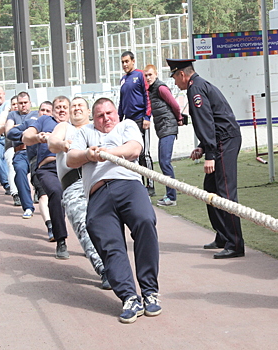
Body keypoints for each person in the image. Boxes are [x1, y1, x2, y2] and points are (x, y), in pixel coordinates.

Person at [66, 98, 160, 324]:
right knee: (109, 244)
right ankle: (129, 297)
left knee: (145, 221)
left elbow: (135, 148)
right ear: (93, 118)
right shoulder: (85, 133)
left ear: (116, 113)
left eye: (109, 113)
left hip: (128, 184)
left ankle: (149, 291)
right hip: (98, 194)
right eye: (100, 115)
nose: (106, 118)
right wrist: (89, 155)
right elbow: (71, 159)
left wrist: (109, 152)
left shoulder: (126, 126)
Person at [167, 58, 244, 259]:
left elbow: (208, 122)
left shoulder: (196, 89)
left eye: (175, 77)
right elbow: (212, 120)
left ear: (182, 74)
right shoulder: (198, 86)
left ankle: (235, 243)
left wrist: (210, 154)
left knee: (225, 192)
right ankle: (223, 235)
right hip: (220, 140)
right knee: (211, 189)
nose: (175, 83)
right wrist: (203, 147)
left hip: (225, 141)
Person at [48, 97, 111, 289]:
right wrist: (64, 145)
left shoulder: (96, 129)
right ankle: (105, 270)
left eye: (80, 106)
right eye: (72, 106)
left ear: (89, 111)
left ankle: (116, 265)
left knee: (107, 227)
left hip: (98, 182)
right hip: (74, 184)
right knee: (84, 226)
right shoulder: (64, 127)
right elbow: (52, 142)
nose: (76, 109)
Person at [22, 96, 70, 260]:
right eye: (58, 107)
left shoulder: (73, 125)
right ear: (53, 110)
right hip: (48, 168)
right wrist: (37, 137)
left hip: (71, 168)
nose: (61, 110)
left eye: (65, 107)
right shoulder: (44, 120)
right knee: (56, 193)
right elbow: (25, 137)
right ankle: (61, 240)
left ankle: (92, 242)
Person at [7, 101, 53, 241]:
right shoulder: (30, 124)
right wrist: (27, 135)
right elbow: (11, 133)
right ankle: (35, 212)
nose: (44, 113)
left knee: (58, 198)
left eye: (47, 111)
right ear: (37, 112)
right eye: (42, 110)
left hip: (56, 163)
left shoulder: (56, 125)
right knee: (43, 195)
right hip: (34, 162)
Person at [144, 64, 184, 206]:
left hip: (168, 127)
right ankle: (170, 195)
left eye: (150, 75)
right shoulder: (151, 90)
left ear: (156, 74)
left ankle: (171, 197)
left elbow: (175, 104)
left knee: (164, 162)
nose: (148, 78)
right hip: (163, 128)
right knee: (163, 162)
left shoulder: (160, 88)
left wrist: (179, 118)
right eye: (146, 75)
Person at [118, 51, 155, 196]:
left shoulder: (140, 75)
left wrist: (147, 117)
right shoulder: (123, 79)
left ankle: (151, 185)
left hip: (140, 119)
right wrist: (118, 120)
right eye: (122, 62)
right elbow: (122, 102)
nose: (125, 64)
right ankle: (139, 185)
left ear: (133, 61)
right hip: (128, 121)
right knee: (133, 155)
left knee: (144, 153)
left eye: (127, 61)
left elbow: (148, 96)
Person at [4, 91, 36, 219]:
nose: (23, 105)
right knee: (19, 171)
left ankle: (40, 194)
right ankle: (28, 206)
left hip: (35, 151)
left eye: (25, 103)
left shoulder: (36, 114)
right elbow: (8, 131)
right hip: (20, 152)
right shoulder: (12, 114)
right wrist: (28, 128)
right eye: (20, 103)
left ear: (30, 103)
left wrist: (18, 128)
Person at [0, 94, 21, 206]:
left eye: (17, 104)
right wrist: (9, 127)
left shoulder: (28, 115)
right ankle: (15, 193)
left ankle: (37, 191)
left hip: (28, 146)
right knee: (11, 165)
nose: (16, 106)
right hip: (11, 146)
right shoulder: (7, 116)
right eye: (13, 104)